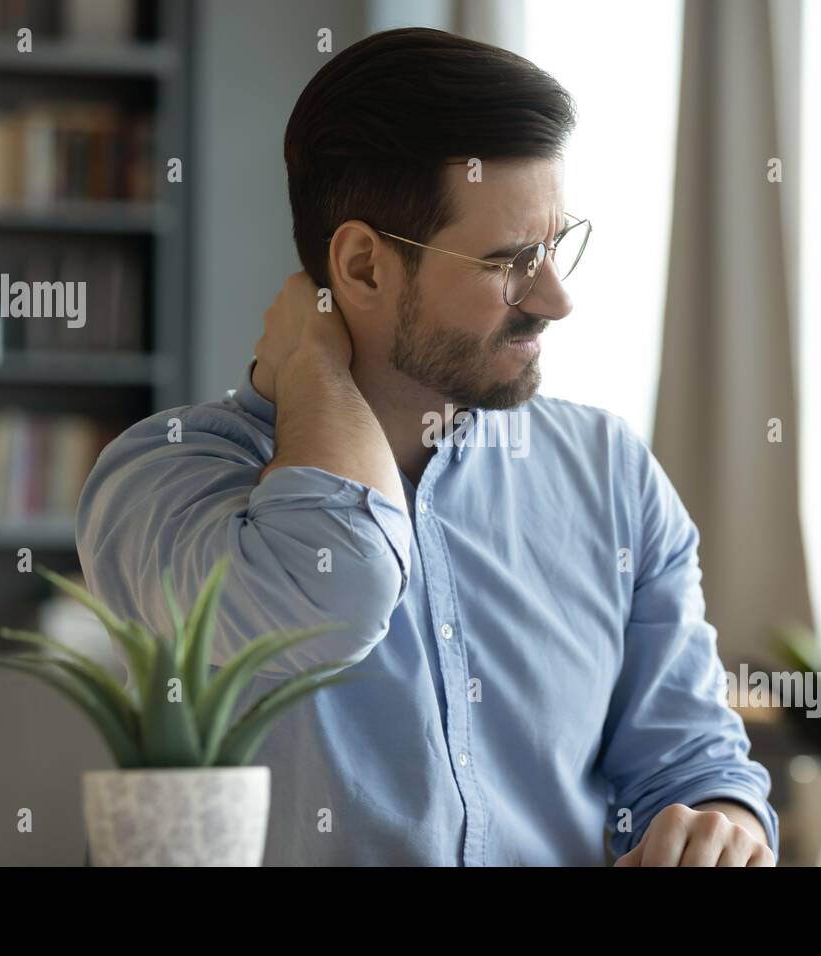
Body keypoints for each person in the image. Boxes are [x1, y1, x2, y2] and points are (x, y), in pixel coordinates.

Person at [76, 27, 777, 866]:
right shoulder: (163, 481)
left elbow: (693, 760)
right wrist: (317, 375)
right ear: (365, 268)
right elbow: (333, 597)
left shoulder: (610, 472)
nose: (555, 299)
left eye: (556, 246)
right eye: (513, 261)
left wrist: (719, 827)